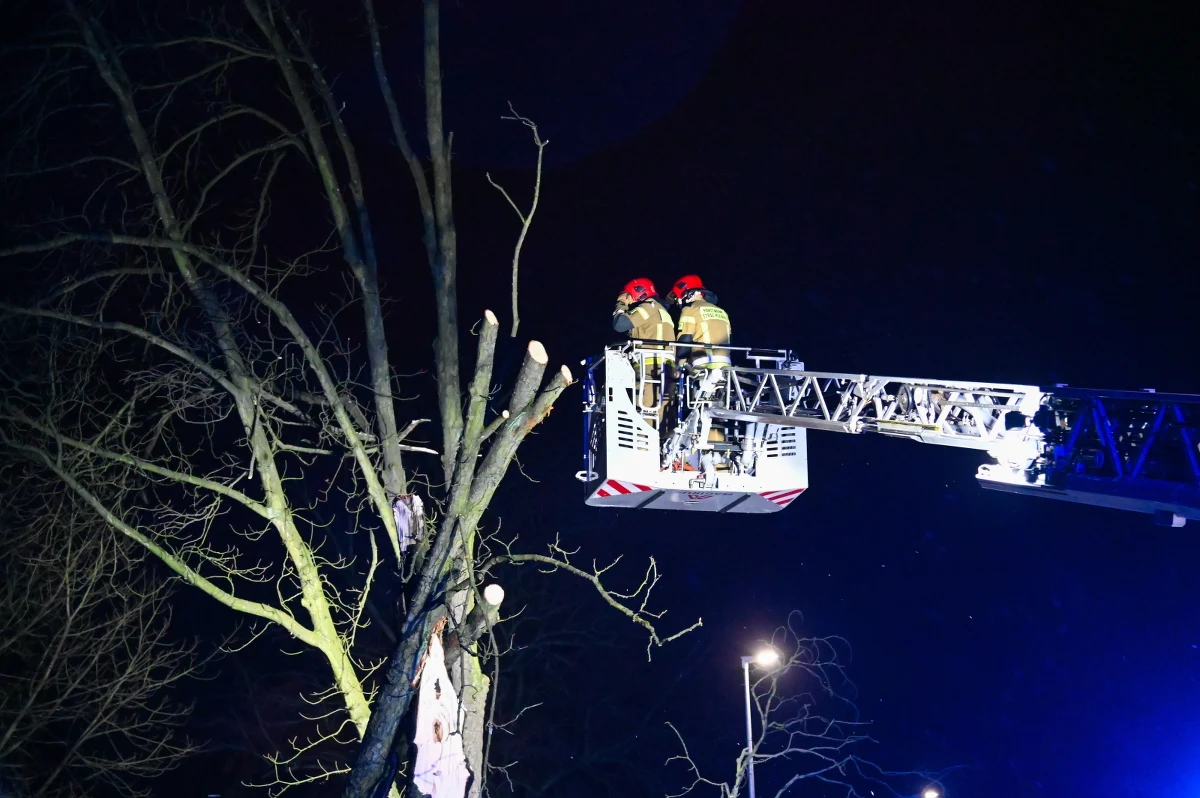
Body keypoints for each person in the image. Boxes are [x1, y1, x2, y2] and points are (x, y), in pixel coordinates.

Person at [612, 277, 675, 418]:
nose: (631, 301)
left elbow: (619, 324)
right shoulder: (661, 310)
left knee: (645, 416)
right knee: (662, 417)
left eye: (630, 296)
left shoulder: (647, 307)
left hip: (649, 369)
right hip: (665, 368)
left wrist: (621, 303)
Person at [667, 274, 731, 372]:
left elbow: (683, 346)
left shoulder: (690, 310)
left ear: (687, 294)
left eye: (677, 299)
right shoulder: (722, 312)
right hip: (726, 364)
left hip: (702, 364)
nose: (677, 303)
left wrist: (677, 365)